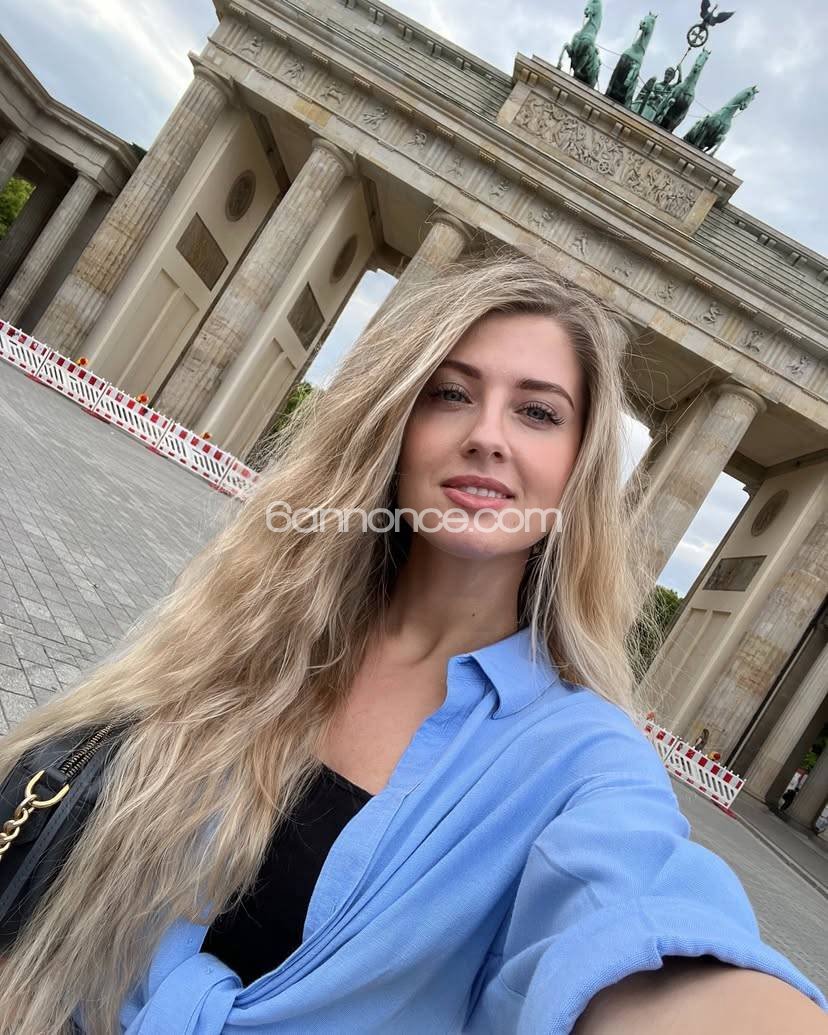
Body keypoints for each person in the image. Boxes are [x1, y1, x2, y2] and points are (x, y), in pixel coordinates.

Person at [0, 248, 825, 1035]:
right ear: (396, 424)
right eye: (450, 393)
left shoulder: (587, 761)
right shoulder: (255, 621)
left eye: (538, 411)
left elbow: (646, 920)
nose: (488, 435)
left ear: (579, 470)